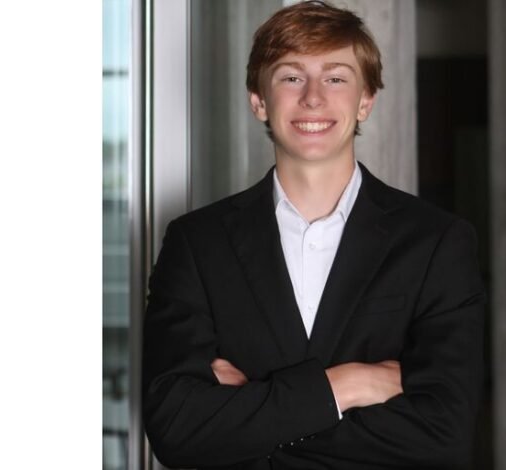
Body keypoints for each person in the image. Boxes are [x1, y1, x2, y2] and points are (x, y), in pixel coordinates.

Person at [142, 1, 485, 468]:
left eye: (336, 78)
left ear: (366, 100)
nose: (313, 98)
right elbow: (175, 428)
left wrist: (252, 407)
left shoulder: (437, 242)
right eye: (291, 77)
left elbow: (446, 434)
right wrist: (347, 385)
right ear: (258, 100)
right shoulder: (196, 244)